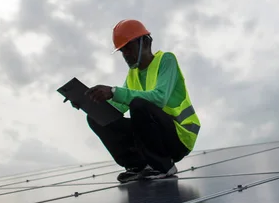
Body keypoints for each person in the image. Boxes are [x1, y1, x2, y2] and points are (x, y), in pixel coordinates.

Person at [81, 19, 201, 183]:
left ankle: (163, 166)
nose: (125, 54)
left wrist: (114, 91)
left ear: (145, 42)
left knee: (138, 104)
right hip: (153, 136)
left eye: (128, 48)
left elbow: (159, 98)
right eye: (122, 51)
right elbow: (117, 108)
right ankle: (137, 165)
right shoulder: (133, 74)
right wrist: (90, 103)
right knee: (97, 117)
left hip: (179, 137)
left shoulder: (166, 60)